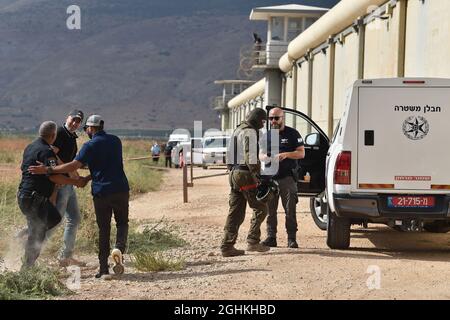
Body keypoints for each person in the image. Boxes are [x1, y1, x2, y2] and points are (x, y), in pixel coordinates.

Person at [29, 115, 130, 279]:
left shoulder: (89, 145)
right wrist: (87, 177)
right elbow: (102, 168)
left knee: (104, 229)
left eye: (86, 128)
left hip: (101, 193)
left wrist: (48, 170)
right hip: (121, 189)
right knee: (122, 222)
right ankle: (119, 246)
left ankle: (103, 269)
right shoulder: (116, 141)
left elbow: (74, 165)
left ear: (90, 128)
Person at [17, 121, 86, 269]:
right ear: (53, 135)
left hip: (23, 196)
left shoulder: (30, 147)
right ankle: (27, 268)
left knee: (38, 227)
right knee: (48, 223)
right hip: (35, 199)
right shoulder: (47, 152)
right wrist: (74, 181)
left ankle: (27, 255)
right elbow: (54, 176)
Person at [220, 108, 270, 257]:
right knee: (261, 208)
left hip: (234, 174)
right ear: (256, 119)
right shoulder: (250, 132)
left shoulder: (238, 129)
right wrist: (258, 176)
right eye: (262, 121)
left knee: (235, 212)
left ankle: (227, 246)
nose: (263, 124)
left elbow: (229, 153)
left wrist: (231, 170)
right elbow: (251, 156)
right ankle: (253, 241)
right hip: (245, 175)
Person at [260, 107, 305, 248]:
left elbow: (301, 153)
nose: (273, 121)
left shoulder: (293, 134)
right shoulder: (266, 135)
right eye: (271, 118)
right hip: (270, 179)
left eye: (276, 118)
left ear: (282, 118)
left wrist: (286, 154)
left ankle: (291, 238)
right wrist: (267, 157)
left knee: (290, 210)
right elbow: (260, 154)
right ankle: (271, 237)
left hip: (287, 178)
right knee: (270, 211)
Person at [52, 109, 86, 267]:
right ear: (67, 118)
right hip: (61, 182)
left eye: (78, 121)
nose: (75, 123)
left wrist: (76, 173)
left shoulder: (72, 136)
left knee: (74, 218)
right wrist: (70, 172)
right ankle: (31, 250)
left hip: (68, 182)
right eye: (73, 119)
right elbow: (53, 156)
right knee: (55, 220)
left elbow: (68, 160)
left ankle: (65, 256)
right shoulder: (60, 132)